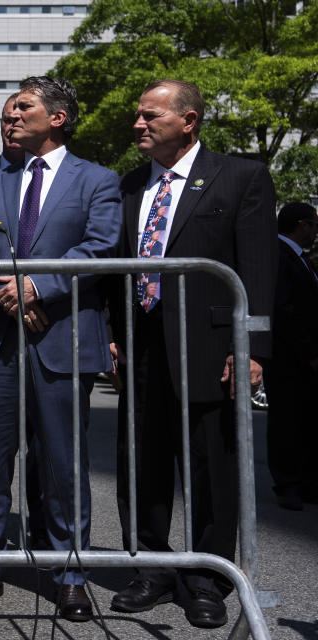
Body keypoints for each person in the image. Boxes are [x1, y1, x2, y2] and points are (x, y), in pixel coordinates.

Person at [111, 79, 277, 629]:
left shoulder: (241, 176)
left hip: (209, 350)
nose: (139, 123)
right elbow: (120, 271)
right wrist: (114, 333)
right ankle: (151, 569)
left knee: (213, 469)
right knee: (144, 465)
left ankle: (206, 580)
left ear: (189, 120)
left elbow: (256, 269)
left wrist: (251, 347)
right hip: (141, 351)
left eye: (151, 115)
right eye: (138, 115)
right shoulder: (129, 185)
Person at [0, 76, 121, 620]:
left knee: (63, 463)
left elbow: (100, 247)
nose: (10, 117)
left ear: (57, 118)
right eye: (8, 110)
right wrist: (3, 293)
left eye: (22, 108)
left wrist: (37, 286)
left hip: (63, 337)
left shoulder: (97, 180)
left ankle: (69, 572)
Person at [266, 202, 318, 510]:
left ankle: (307, 482)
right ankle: (287, 483)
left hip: (303, 356)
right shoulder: (280, 256)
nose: (314, 232)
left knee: (306, 420)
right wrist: (309, 351)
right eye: (314, 225)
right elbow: (284, 310)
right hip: (289, 357)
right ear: (301, 225)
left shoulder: (301, 260)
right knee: (287, 420)